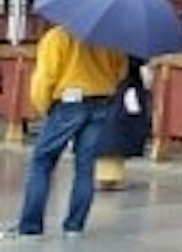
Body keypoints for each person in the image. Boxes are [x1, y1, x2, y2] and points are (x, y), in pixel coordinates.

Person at [5, 24, 125, 238]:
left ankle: (30, 227)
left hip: (68, 102)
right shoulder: (110, 39)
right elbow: (120, 72)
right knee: (85, 167)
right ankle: (74, 226)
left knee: (42, 162)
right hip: (101, 100)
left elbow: (45, 78)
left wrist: (43, 107)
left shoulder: (57, 36)